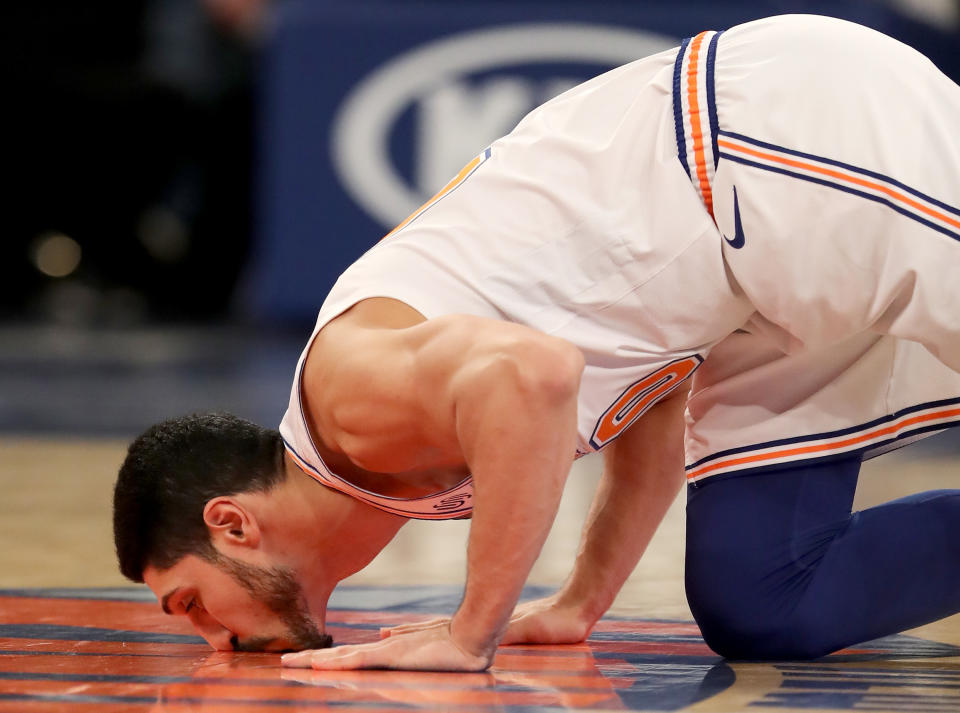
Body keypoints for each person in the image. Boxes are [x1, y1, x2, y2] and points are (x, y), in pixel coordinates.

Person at [113, 14, 960, 670]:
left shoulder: (348, 395)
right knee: (765, 594)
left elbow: (537, 373)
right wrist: (582, 599)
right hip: (735, 286)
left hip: (763, 139)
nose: (213, 641)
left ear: (231, 524)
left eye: (189, 603)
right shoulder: (370, 445)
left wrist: (471, 629)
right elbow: (652, 387)